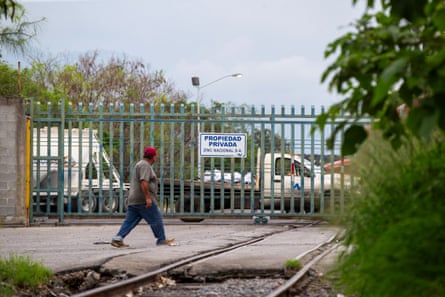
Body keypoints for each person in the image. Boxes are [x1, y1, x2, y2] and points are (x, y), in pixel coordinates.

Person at [111, 146, 175, 248]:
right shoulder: (145, 166)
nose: (156, 158)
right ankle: (161, 239)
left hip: (134, 199)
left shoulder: (140, 164)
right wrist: (148, 198)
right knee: (156, 219)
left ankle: (118, 238)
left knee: (130, 221)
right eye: (156, 156)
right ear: (153, 157)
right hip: (143, 200)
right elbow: (144, 182)